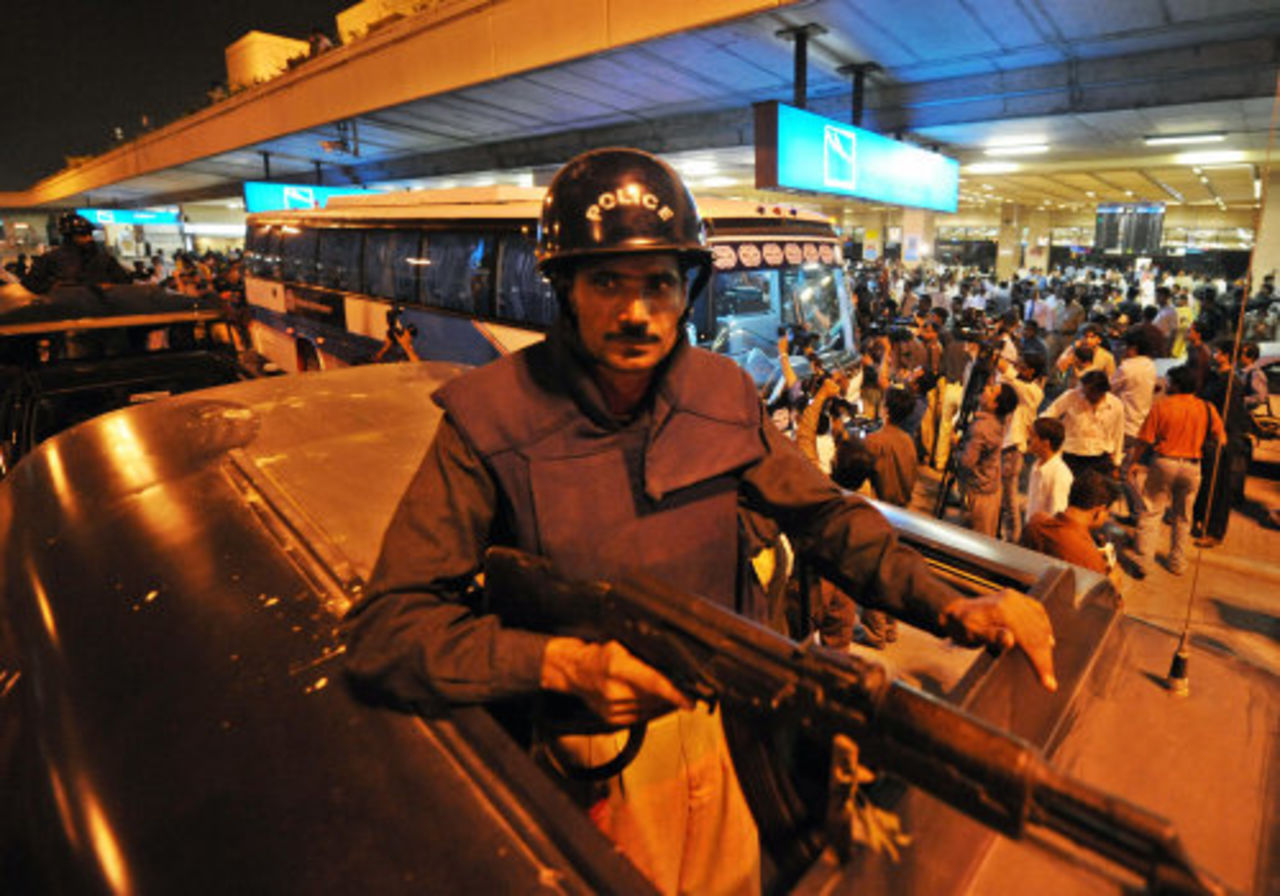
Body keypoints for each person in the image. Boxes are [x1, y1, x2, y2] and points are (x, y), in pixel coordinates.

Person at [343, 148, 1057, 894]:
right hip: (591, 759)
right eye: (605, 281)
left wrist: (952, 605)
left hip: (728, 734)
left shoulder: (721, 389)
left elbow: (826, 518)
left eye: (659, 283)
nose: (636, 312)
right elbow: (387, 630)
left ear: (688, 292)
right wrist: (561, 665)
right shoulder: (489, 419)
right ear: (564, 288)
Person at [1125, 365, 1225, 577]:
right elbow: (1221, 438)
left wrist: (1134, 462)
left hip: (1164, 463)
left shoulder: (1162, 407)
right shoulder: (1207, 408)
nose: (1166, 385)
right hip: (1192, 466)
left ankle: (1144, 562)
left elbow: (1144, 440)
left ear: (1177, 384)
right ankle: (1177, 563)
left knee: (1151, 511)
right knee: (1183, 517)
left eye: (1169, 382)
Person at [1192, 339, 1250, 547]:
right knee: (1207, 484)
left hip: (1223, 440)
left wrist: (1220, 436)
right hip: (1211, 438)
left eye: (1217, 352)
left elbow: (1229, 416)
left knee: (1220, 489)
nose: (1215, 355)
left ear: (1225, 355)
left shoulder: (1230, 383)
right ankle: (1200, 519)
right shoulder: (1218, 378)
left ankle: (1215, 532)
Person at [1020, 470, 1118, 582]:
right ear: (1099, 511)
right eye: (1108, 513)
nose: (1106, 518)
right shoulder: (1090, 559)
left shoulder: (1035, 525)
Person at [956, 380, 1018, 537]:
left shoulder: (982, 428)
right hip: (991, 487)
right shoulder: (999, 421)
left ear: (995, 405)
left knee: (973, 541)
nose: (985, 389)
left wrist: (956, 445)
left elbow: (967, 462)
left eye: (991, 391)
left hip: (978, 493)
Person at [20, 213, 132, 294]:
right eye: (83, 235)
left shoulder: (103, 258)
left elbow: (125, 283)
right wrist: (54, 287)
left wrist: (110, 287)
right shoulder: (51, 259)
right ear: (69, 237)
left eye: (89, 234)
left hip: (100, 313)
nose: (89, 238)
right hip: (66, 313)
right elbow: (31, 284)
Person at [1044, 370, 1125, 480]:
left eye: (1090, 392)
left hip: (1101, 458)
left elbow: (1118, 434)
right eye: (1084, 389)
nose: (1085, 394)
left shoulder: (1116, 405)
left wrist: (1116, 462)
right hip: (1072, 455)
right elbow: (1048, 415)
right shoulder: (1071, 397)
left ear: (1102, 392)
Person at [1024, 417, 1073, 522]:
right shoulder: (1036, 465)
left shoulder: (1059, 474)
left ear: (1045, 443)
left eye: (1033, 436)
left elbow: (1057, 513)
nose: (1028, 439)